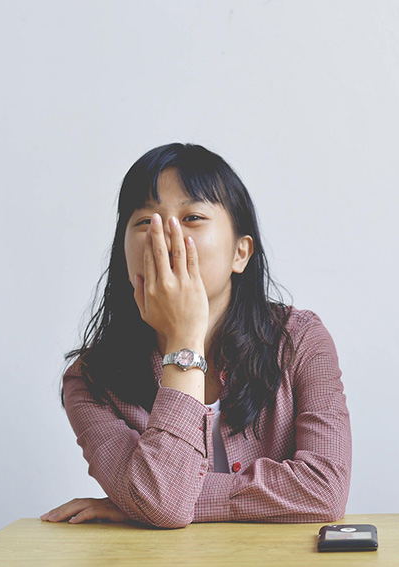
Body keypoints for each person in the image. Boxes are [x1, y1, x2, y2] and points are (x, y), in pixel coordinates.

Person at [42, 143, 351, 528]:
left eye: (191, 217)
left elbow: (325, 489)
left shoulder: (301, 341)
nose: (165, 234)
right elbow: (161, 502)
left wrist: (149, 499)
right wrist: (184, 340)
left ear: (241, 252)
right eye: (143, 221)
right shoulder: (90, 379)